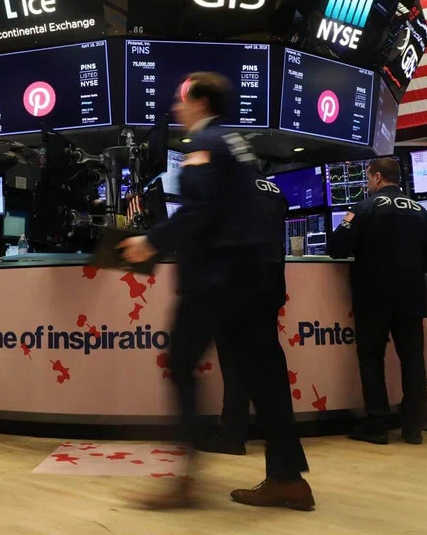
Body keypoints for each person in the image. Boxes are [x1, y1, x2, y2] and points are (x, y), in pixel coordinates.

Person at [118, 72, 312, 511]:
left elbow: (199, 212)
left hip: (217, 280)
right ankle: (288, 479)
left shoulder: (205, 145)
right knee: (264, 379)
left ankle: (185, 482)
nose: (176, 108)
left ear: (201, 102)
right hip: (255, 279)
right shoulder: (237, 145)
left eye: (182, 100)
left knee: (181, 364)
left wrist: (150, 241)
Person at [328, 158, 427, 445]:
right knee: (412, 360)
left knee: (371, 359)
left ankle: (377, 425)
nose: (368, 183)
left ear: (378, 177)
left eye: (369, 178)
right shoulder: (422, 213)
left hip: (373, 296)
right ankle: (413, 427)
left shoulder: (363, 208)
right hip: (411, 296)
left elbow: (336, 247)